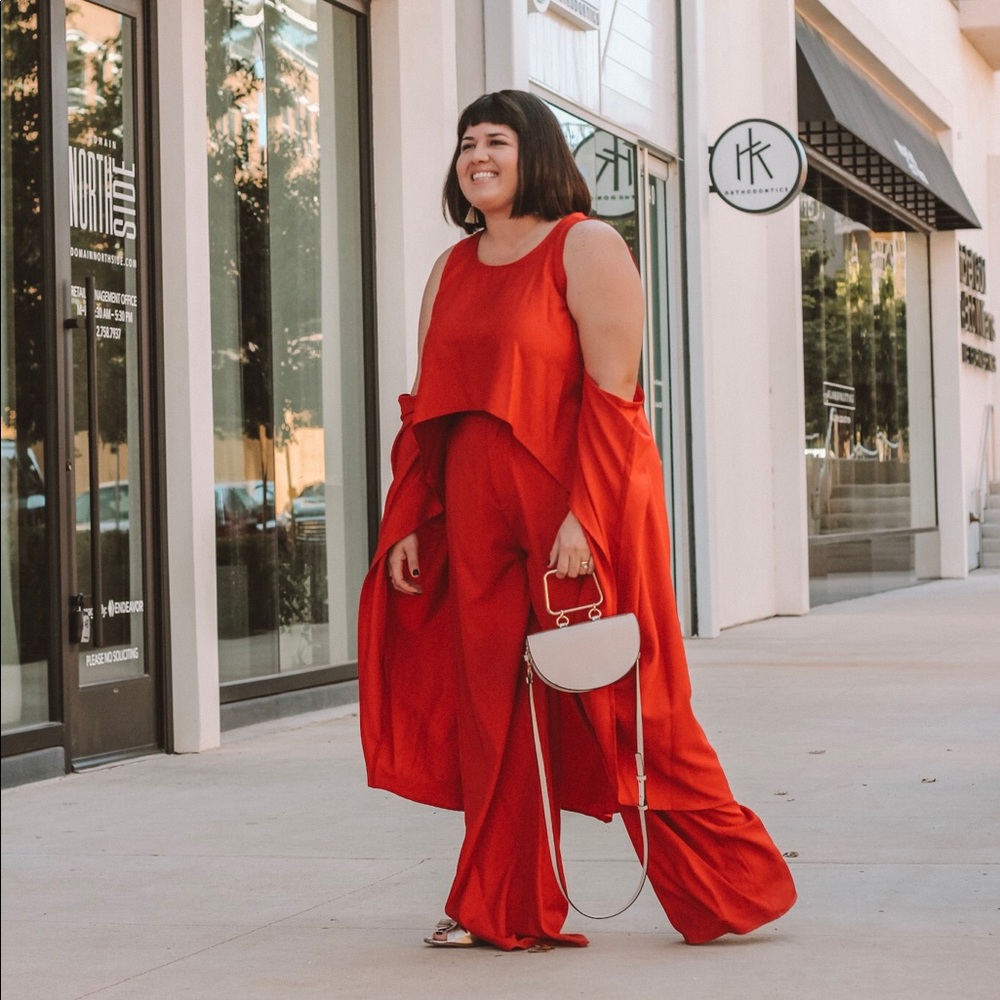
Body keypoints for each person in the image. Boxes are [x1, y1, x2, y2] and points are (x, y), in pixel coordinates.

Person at [357, 89, 796, 951]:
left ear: (537, 153)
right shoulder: (450, 267)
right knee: (494, 714)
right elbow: (429, 408)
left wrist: (581, 519)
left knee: (630, 709)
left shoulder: (586, 245)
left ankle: (731, 886)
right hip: (476, 513)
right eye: (465, 143)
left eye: (496, 140)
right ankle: (501, 904)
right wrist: (411, 515)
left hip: (575, 507)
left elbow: (613, 398)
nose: (476, 155)